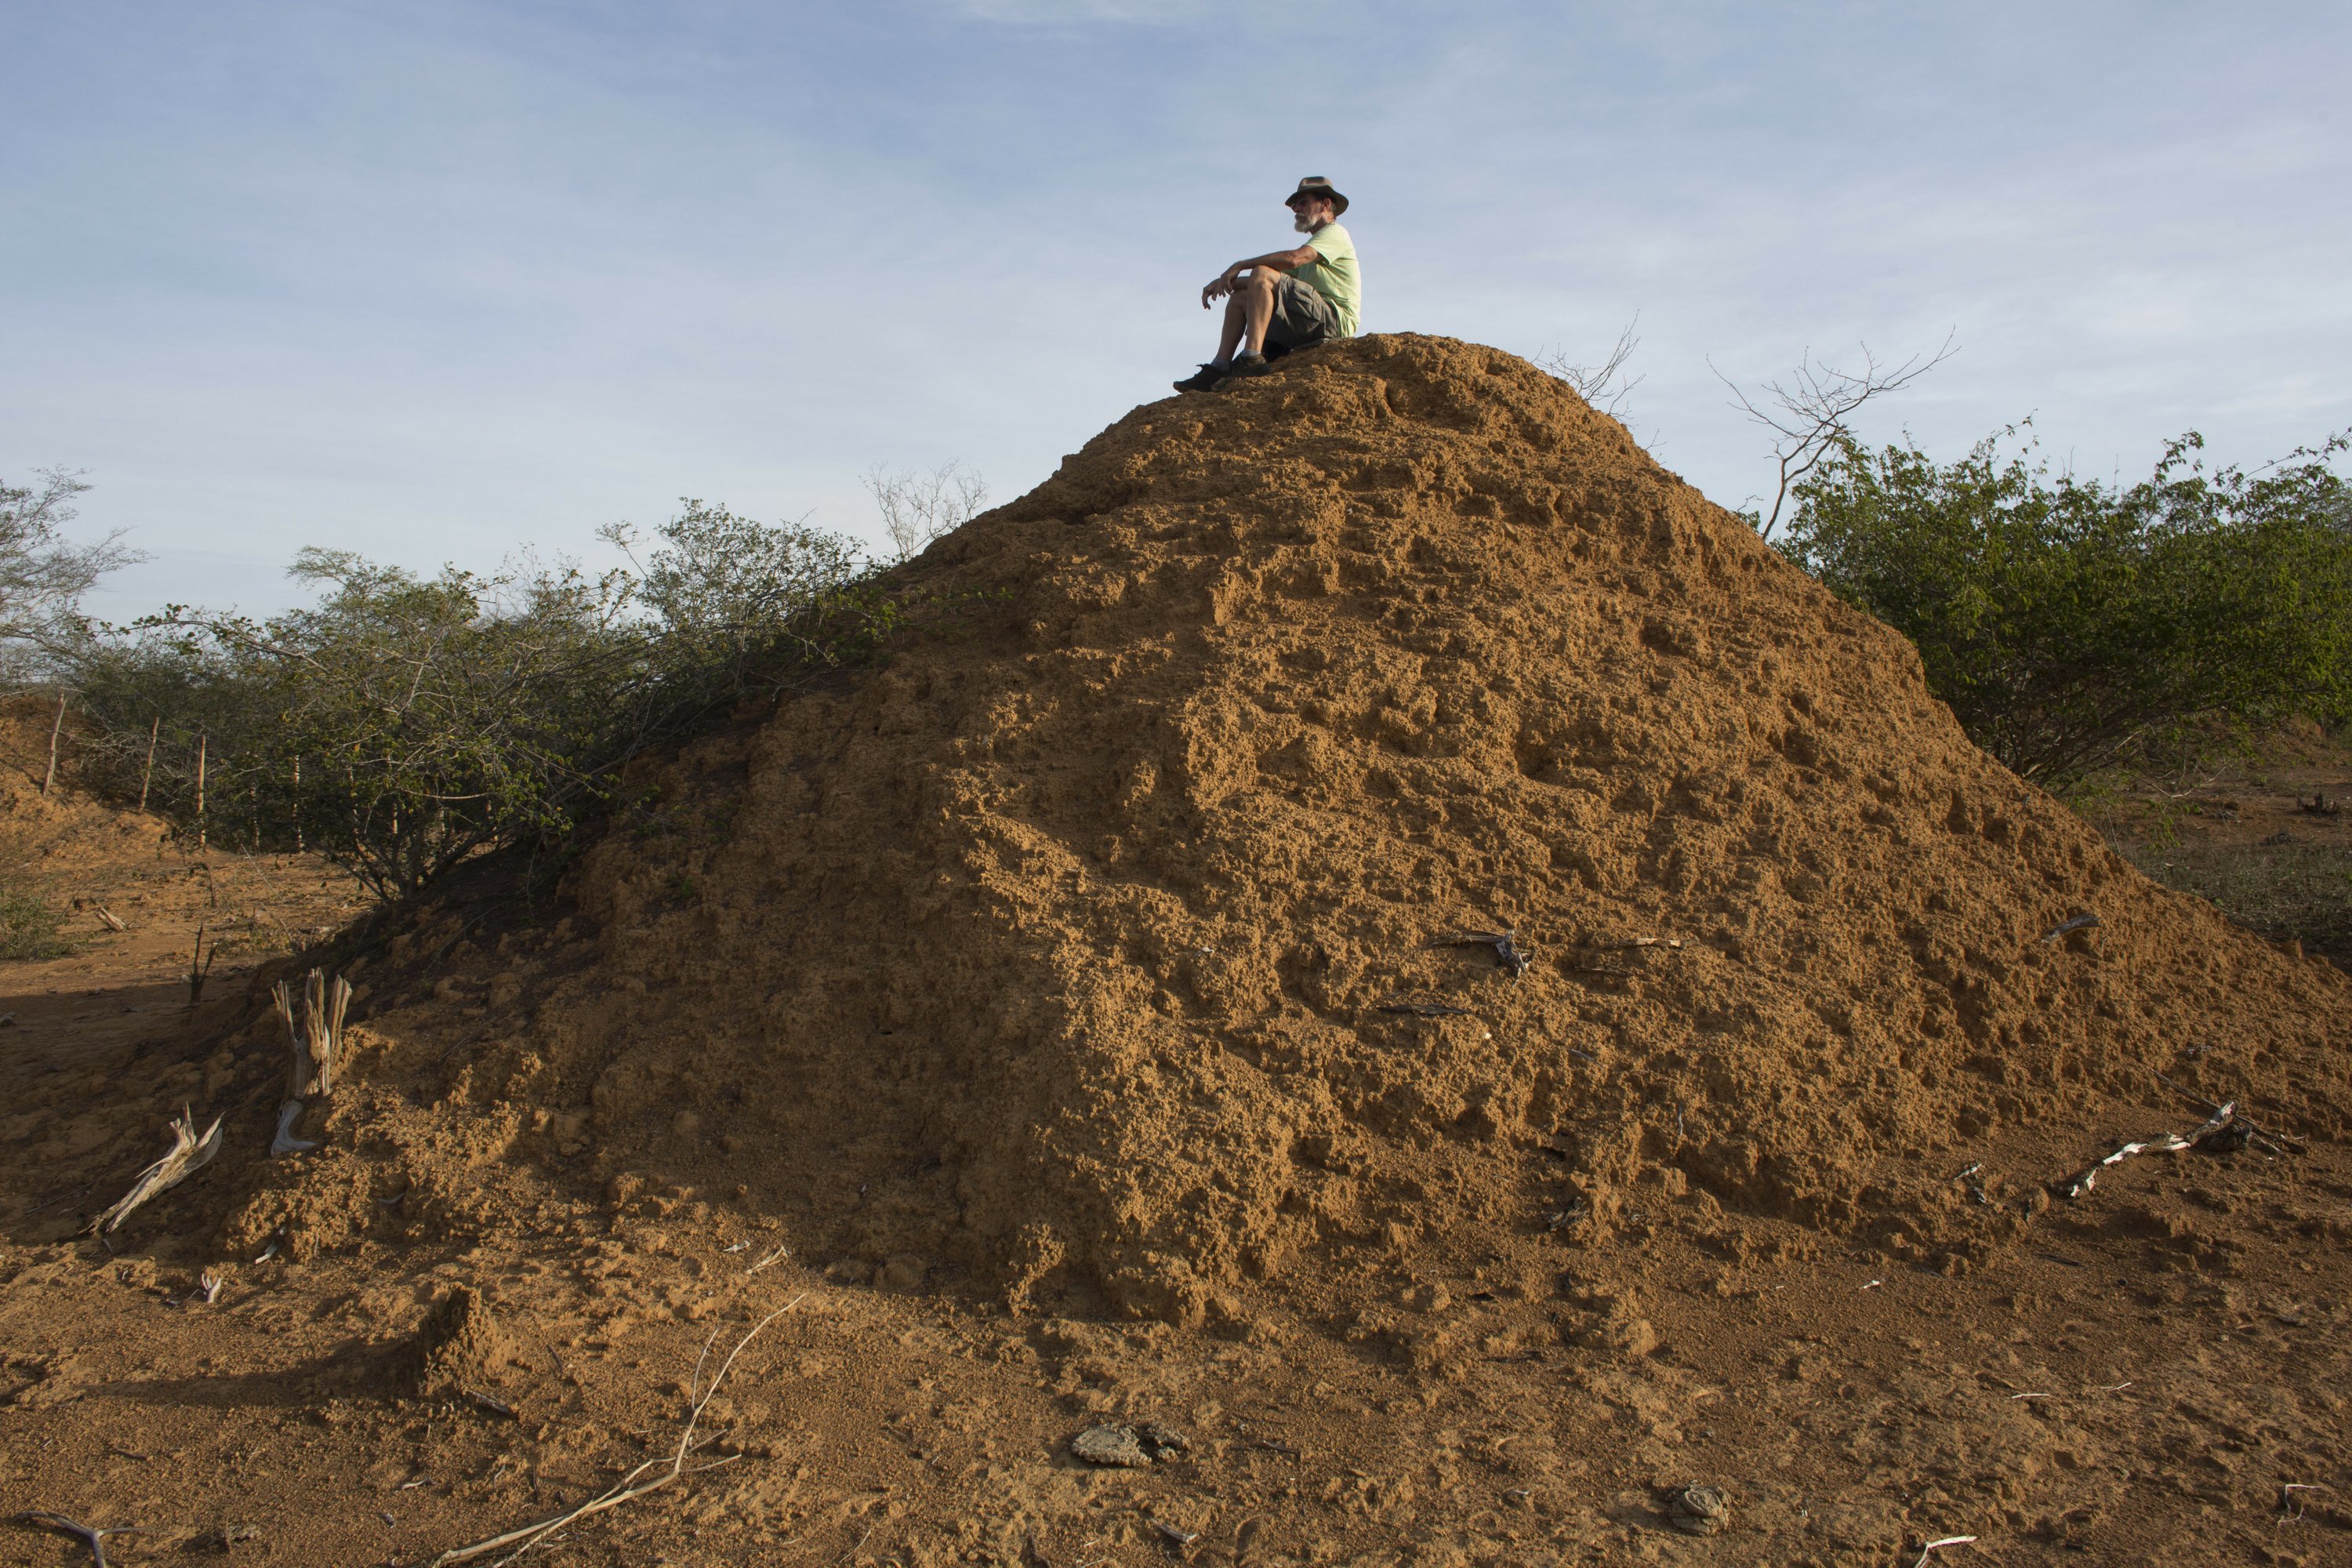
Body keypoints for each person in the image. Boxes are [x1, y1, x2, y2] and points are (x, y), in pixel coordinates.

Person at [1174, 176, 1361, 393]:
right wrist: (1225, 283)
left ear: (1326, 204)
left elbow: (1292, 259)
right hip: (1310, 322)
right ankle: (1219, 367)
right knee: (1240, 298)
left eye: (1303, 202)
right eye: (1294, 205)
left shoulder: (1335, 233)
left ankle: (1251, 358)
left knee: (1261, 271)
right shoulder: (1314, 247)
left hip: (1334, 322)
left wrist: (1241, 265)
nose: (1296, 209)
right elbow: (1265, 282)